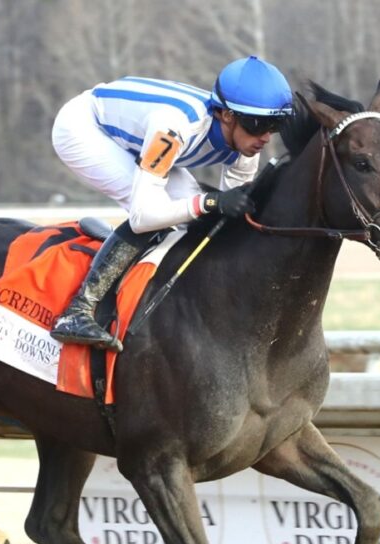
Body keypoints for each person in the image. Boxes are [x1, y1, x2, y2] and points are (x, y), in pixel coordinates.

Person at [49, 55, 293, 352]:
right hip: (84, 128)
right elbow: (143, 217)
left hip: (135, 134)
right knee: (159, 211)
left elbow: (229, 223)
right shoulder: (176, 127)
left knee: (195, 214)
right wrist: (209, 201)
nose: (266, 137)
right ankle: (78, 311)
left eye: (275, 125)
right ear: (227, 115)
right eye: (259, 124)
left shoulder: (247, 143)